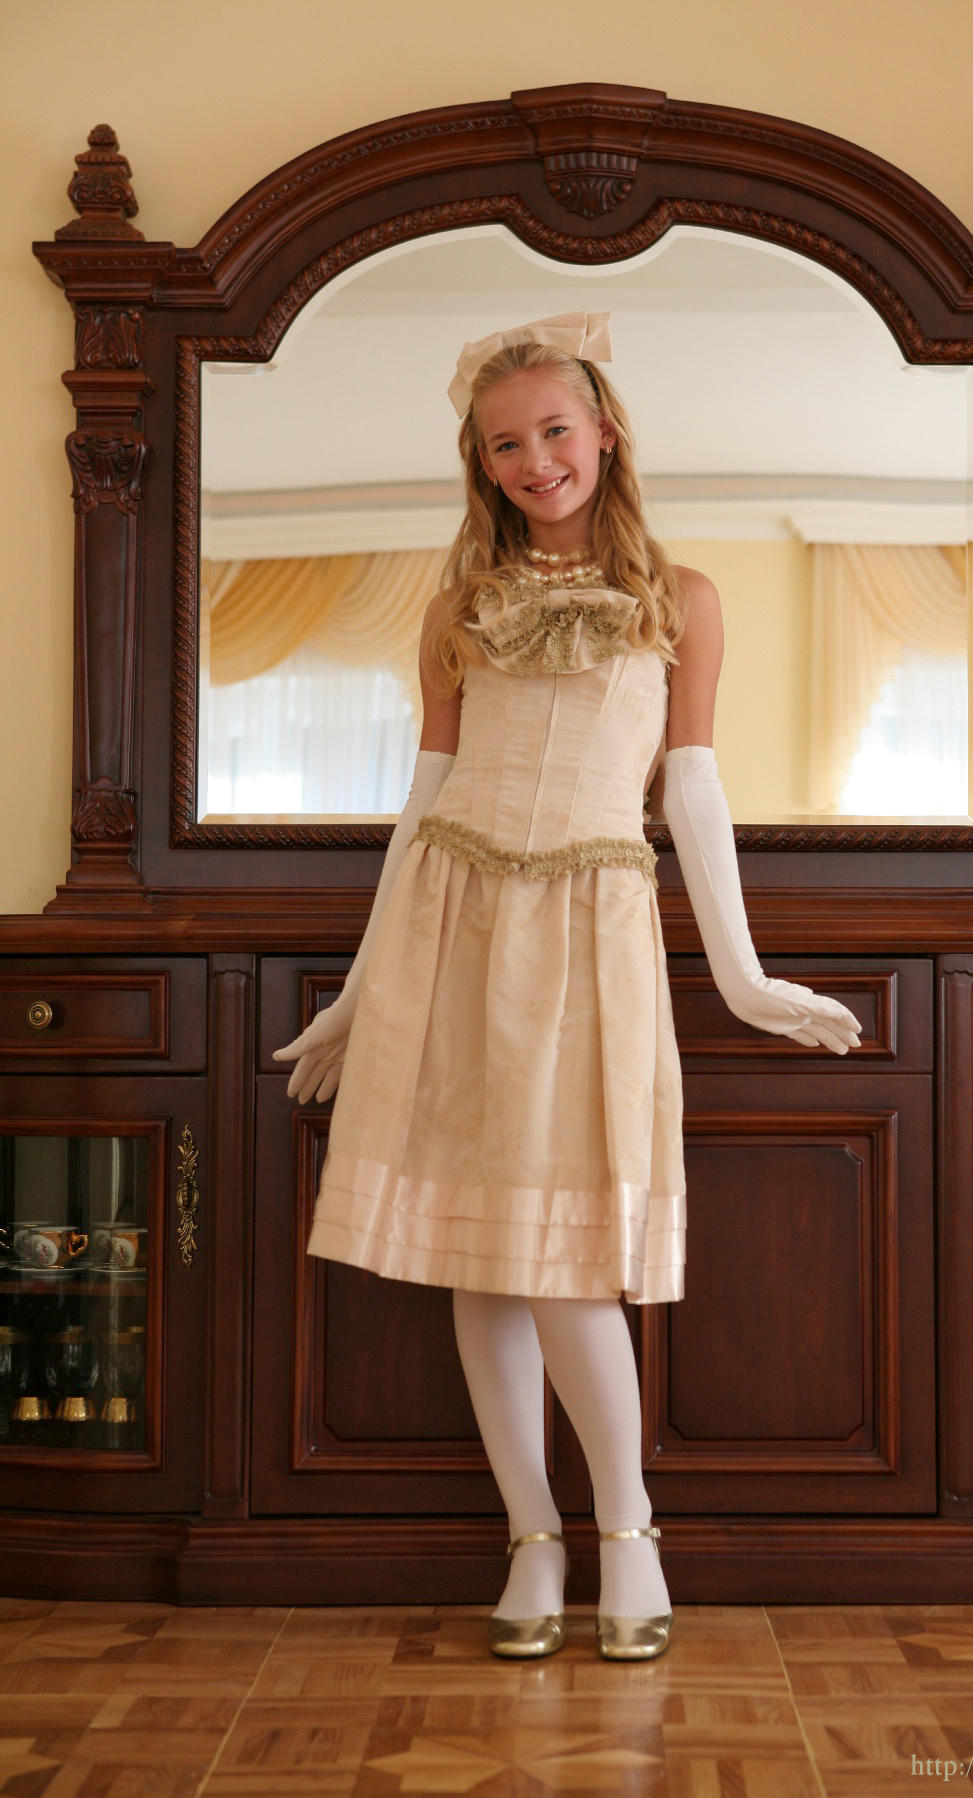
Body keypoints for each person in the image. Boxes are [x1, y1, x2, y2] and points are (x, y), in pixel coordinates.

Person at [274, 312, 861, 1663]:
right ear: (479, 464)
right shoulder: (456, 609)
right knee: (477, 1258)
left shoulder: (682, 599)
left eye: (553, 429)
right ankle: (532, 1538)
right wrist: (362, 993)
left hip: (592, 927)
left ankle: (629, 1533)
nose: (535, 459)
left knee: (564, 1258)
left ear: (604, 432)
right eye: (504, 444)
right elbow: (422, 806)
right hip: (452, 926)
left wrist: (743, 974)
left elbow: (692, 788)